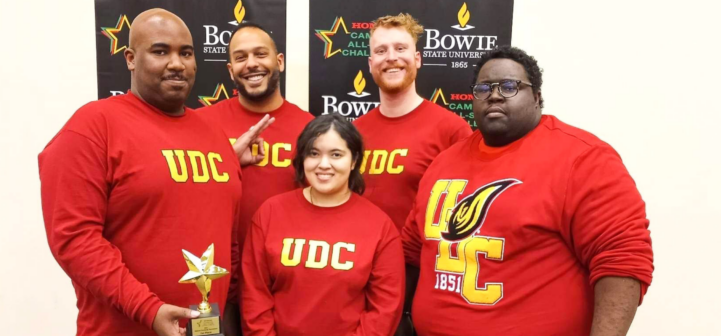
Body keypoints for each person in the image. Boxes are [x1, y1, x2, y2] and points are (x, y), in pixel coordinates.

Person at [38, 9, 272, 336]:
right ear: (131, 58)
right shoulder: (93, 127)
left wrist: (230, 310)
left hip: (208, 328)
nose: (177, 63)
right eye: (161, 51)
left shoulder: (213, 134)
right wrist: (148, 309)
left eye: (186, 53)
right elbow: (75, 239)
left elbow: (224, 233)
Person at [401, 46, 654, 336]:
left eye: (509, 86)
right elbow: (412, 250)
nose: (494, 95)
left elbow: (622, 261)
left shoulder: (582, 159)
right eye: (483, 88)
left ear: (537, 97)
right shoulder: (443, 163)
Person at [354, 13, 473, 334]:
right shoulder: (353, 134)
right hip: (359, 277)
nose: (391, 57)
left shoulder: (452, 130)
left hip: (422, 279)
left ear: (417, 59)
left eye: (400, 48)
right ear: (370, 63)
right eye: (381, 50)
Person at [241, 114, 404, 336]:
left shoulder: (380, 226)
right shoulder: (270, 213)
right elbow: (254, 295)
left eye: (336, 155)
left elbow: (384, 310)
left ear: (354, 160)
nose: (323, 164)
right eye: (314, 153)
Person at [196, 23, 313, 331]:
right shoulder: (199, 125)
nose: (251, 63)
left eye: (261, 53)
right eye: (241, 57)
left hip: (283, 285)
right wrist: (229, 160)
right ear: (231, 70)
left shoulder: (311, 129)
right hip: (209, 280)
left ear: (280, 61)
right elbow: (177, 195)